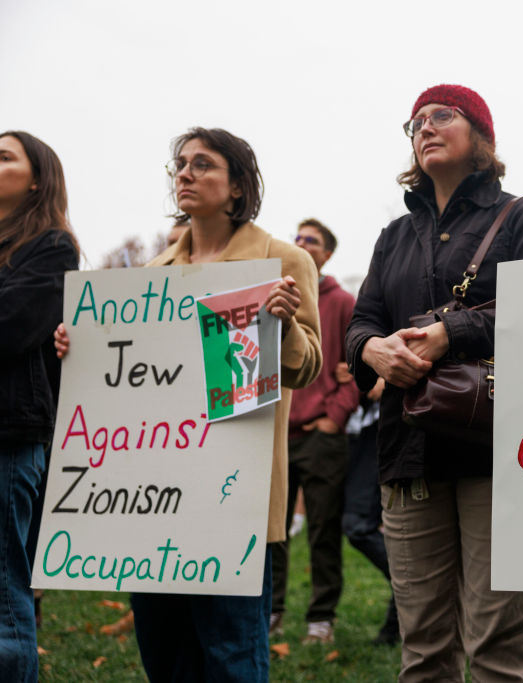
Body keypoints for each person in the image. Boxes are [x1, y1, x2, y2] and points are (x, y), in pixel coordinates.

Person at [55, 127, 321, 682]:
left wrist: (285, 326)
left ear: (238, 186)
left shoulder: (280, 259)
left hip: (232, 497)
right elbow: (129, 387)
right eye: (179, 164)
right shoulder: (153, 277)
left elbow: (307, 367)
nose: (184, 173)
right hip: (154, 496)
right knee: (165, 653)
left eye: (203, 164)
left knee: (231, 655)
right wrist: (80, 349)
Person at [345, 84, 523, 682]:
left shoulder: (520, 217)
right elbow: (362, 322)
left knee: (497, 648)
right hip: (408, 455)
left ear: (481, 136)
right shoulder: (393, 236)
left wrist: (451, 332)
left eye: (443, 115)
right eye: (415, 122)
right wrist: (373, 350)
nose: (425, 127)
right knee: (424, 649)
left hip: (497, 455)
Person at [0, 130, 79, 683]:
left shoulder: (51, 248)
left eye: (4, 157)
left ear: (36, 180)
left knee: (4, 599)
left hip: (8, 438)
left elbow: (11, 327)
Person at [270, 218, 359, 644]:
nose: (302, 244)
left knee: (323, 531)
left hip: (321, 435)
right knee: (273, 532)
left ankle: (321, 619)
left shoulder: (342, 302)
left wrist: (334, 417)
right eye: (298, 238)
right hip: (278, 432)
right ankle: (271, 611)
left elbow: (357, 366)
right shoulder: (275, 296)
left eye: (312, 240)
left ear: (327, 254)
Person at [336, 361, 400, 646]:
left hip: (394, 425)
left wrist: (387, 378)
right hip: (360, 430)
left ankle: (412, 589)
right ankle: (409, 591)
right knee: (355, 525)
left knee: (358, 525)